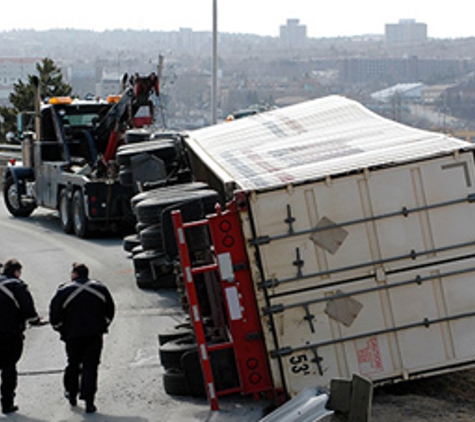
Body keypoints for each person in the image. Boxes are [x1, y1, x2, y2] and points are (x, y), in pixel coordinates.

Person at [49, 262, 115, 414]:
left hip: (72, 335)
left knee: (73, 363)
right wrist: (102, 325)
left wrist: (60, 329)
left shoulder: (64, 290)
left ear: (74, 274)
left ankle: (71, 393)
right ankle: (89, 400)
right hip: (94, 334)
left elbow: (55, 314)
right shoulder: (100, 288)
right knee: (91, 365)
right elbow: (110, 310)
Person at [0, 258, 44, 414]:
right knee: (8, 367)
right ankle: (7, 403)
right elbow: (27, 307)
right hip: (9, 333)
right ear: (16, 272)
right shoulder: (17, 286)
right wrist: (35, 321)